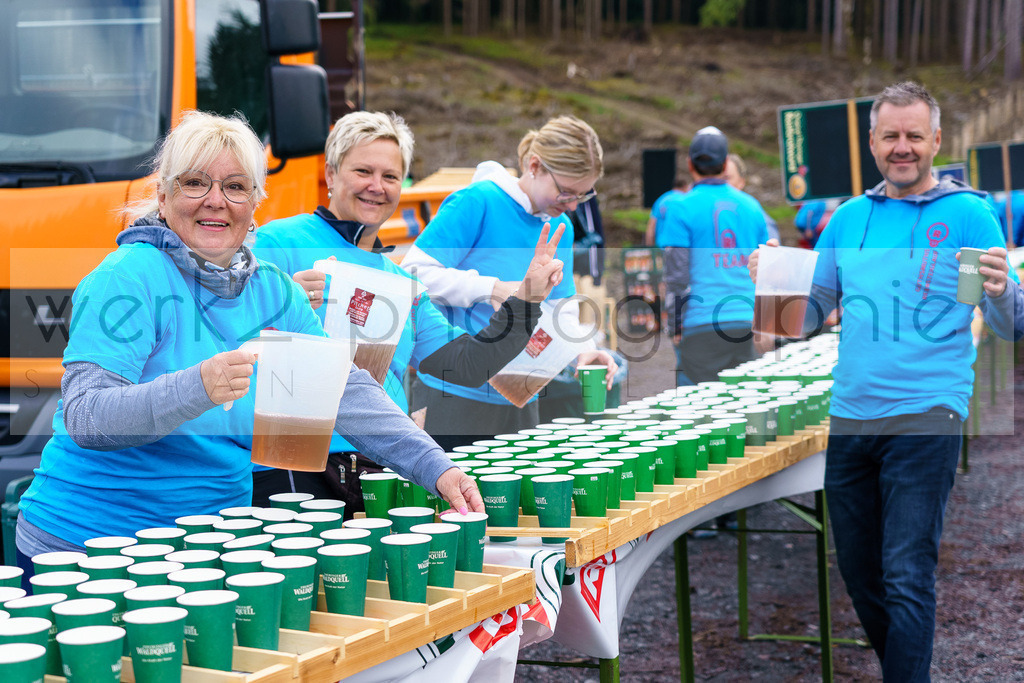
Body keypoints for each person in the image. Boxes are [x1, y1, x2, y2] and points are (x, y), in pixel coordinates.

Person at [14, 111, 483, 575]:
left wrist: (435, 466)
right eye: (196, 182)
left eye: (236, 187)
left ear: (256, 201)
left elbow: (343, 390)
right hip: (90, 548)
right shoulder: (126, 278)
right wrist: (197, 386)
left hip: (209, 549)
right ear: (162, 195)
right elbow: (88, 417)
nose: (216, 201)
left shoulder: (273, 290)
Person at [749, 82, 1023, 681]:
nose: (903, 147)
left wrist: (1004, 292)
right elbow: (806, 316)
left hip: (928, 413)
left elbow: (1007, 325)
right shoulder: (850, 220)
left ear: (936, 142)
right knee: (859, 572)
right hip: (851, 416)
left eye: (914, 136)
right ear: (872, 142)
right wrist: (772, 280)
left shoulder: (969, 216)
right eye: (891, 136)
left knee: (906, 573)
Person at [252, 111, 567, 509]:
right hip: (293, 470)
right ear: (331, 175)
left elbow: (469, 364)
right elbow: (223, 335)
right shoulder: (276, 242)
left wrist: (527, 300)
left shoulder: (401, 283)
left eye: (390, 176)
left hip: (382, 470)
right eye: (363, 170)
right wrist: (280, 305)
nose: (376, 187)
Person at [401, 115, 617, 449]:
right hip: (453, 390)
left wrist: (585, 351)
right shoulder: (478, 202)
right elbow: (413, 272)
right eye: (566, 192)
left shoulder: (561, 225)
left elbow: (561, 305)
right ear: (535, 165)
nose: (572, 205)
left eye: (583, 196)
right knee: (452, 501)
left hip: (521, 395)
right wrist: (491, 288)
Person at [656, 126, 769, 386]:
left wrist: (675, 325)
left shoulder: (680, 207)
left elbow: (676, 276)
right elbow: (768, 271)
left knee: (696, 413)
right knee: (744, 410)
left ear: (689, 164)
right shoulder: (752, 207)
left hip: (701, 322)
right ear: (726, 162)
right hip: (747, 321)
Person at [644, 177, 689, 246]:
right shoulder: (684, 200)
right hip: (681, 244)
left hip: (662, 245)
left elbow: (652, 224)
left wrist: (649, 245)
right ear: (685, 186)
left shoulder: (661, 200)